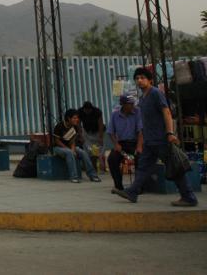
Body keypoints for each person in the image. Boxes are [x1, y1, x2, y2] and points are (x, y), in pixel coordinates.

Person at [114, 68, 198, 207]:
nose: (139, 80)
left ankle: (189, 197)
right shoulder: (142, 98)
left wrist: (170, 133)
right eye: (137, 78)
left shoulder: (155, 93)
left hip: (161, 139)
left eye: (142, 77)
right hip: (149, 141)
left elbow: (166, 112)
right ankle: (133, 192)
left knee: (174, 168)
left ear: (150, 80)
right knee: (143, 167)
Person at [53, 109, 101, 183]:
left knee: (83, 153)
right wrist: (69, 150)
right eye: (74, 118)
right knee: (69, 153)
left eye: (77, 118)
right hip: (58, 148)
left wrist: (72, 149)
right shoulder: (59, 126)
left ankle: (93, 175)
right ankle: (74, 177)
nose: (77, 120)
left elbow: (72, 141)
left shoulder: (75, 127)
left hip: (69, 147)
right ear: (69, 118)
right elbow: (57, 141)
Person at [106, 95, 143, 191]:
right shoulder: (115, 114)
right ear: (123, 104)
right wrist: (116, 144)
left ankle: (138, 187)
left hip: (135, 142)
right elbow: (110, 132)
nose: (132, 106)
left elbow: (140, 131)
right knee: (112, 159)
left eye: (132, 103)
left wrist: (139, 146)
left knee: (140, 158)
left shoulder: (137, 112)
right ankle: (118, 186)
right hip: (121, 143)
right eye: (129, 104)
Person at [77, 101, 106, 173]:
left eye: (89, 110)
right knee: (88, 150)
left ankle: (101, 167)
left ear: (91, 109)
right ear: (83, 109)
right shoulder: (80, 112)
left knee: (98, 149)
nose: (87, 112)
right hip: (86, 131)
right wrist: (81, 136)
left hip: (97, 131)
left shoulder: (97, 112)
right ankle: (90, 166)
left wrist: (100, 137)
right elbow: (78, 124)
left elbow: (100, 124)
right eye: (86, 110)